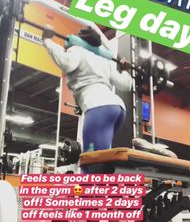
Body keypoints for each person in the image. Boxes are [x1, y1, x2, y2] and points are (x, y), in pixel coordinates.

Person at [41, 25, 132, 153]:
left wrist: (47, 40)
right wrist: (124, 71)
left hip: (99, 108)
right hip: (118, 109)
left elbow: (66, 63)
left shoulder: (77, 50)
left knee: (91, 159)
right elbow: (126, 85)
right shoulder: (104, 59)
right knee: (102, 156)